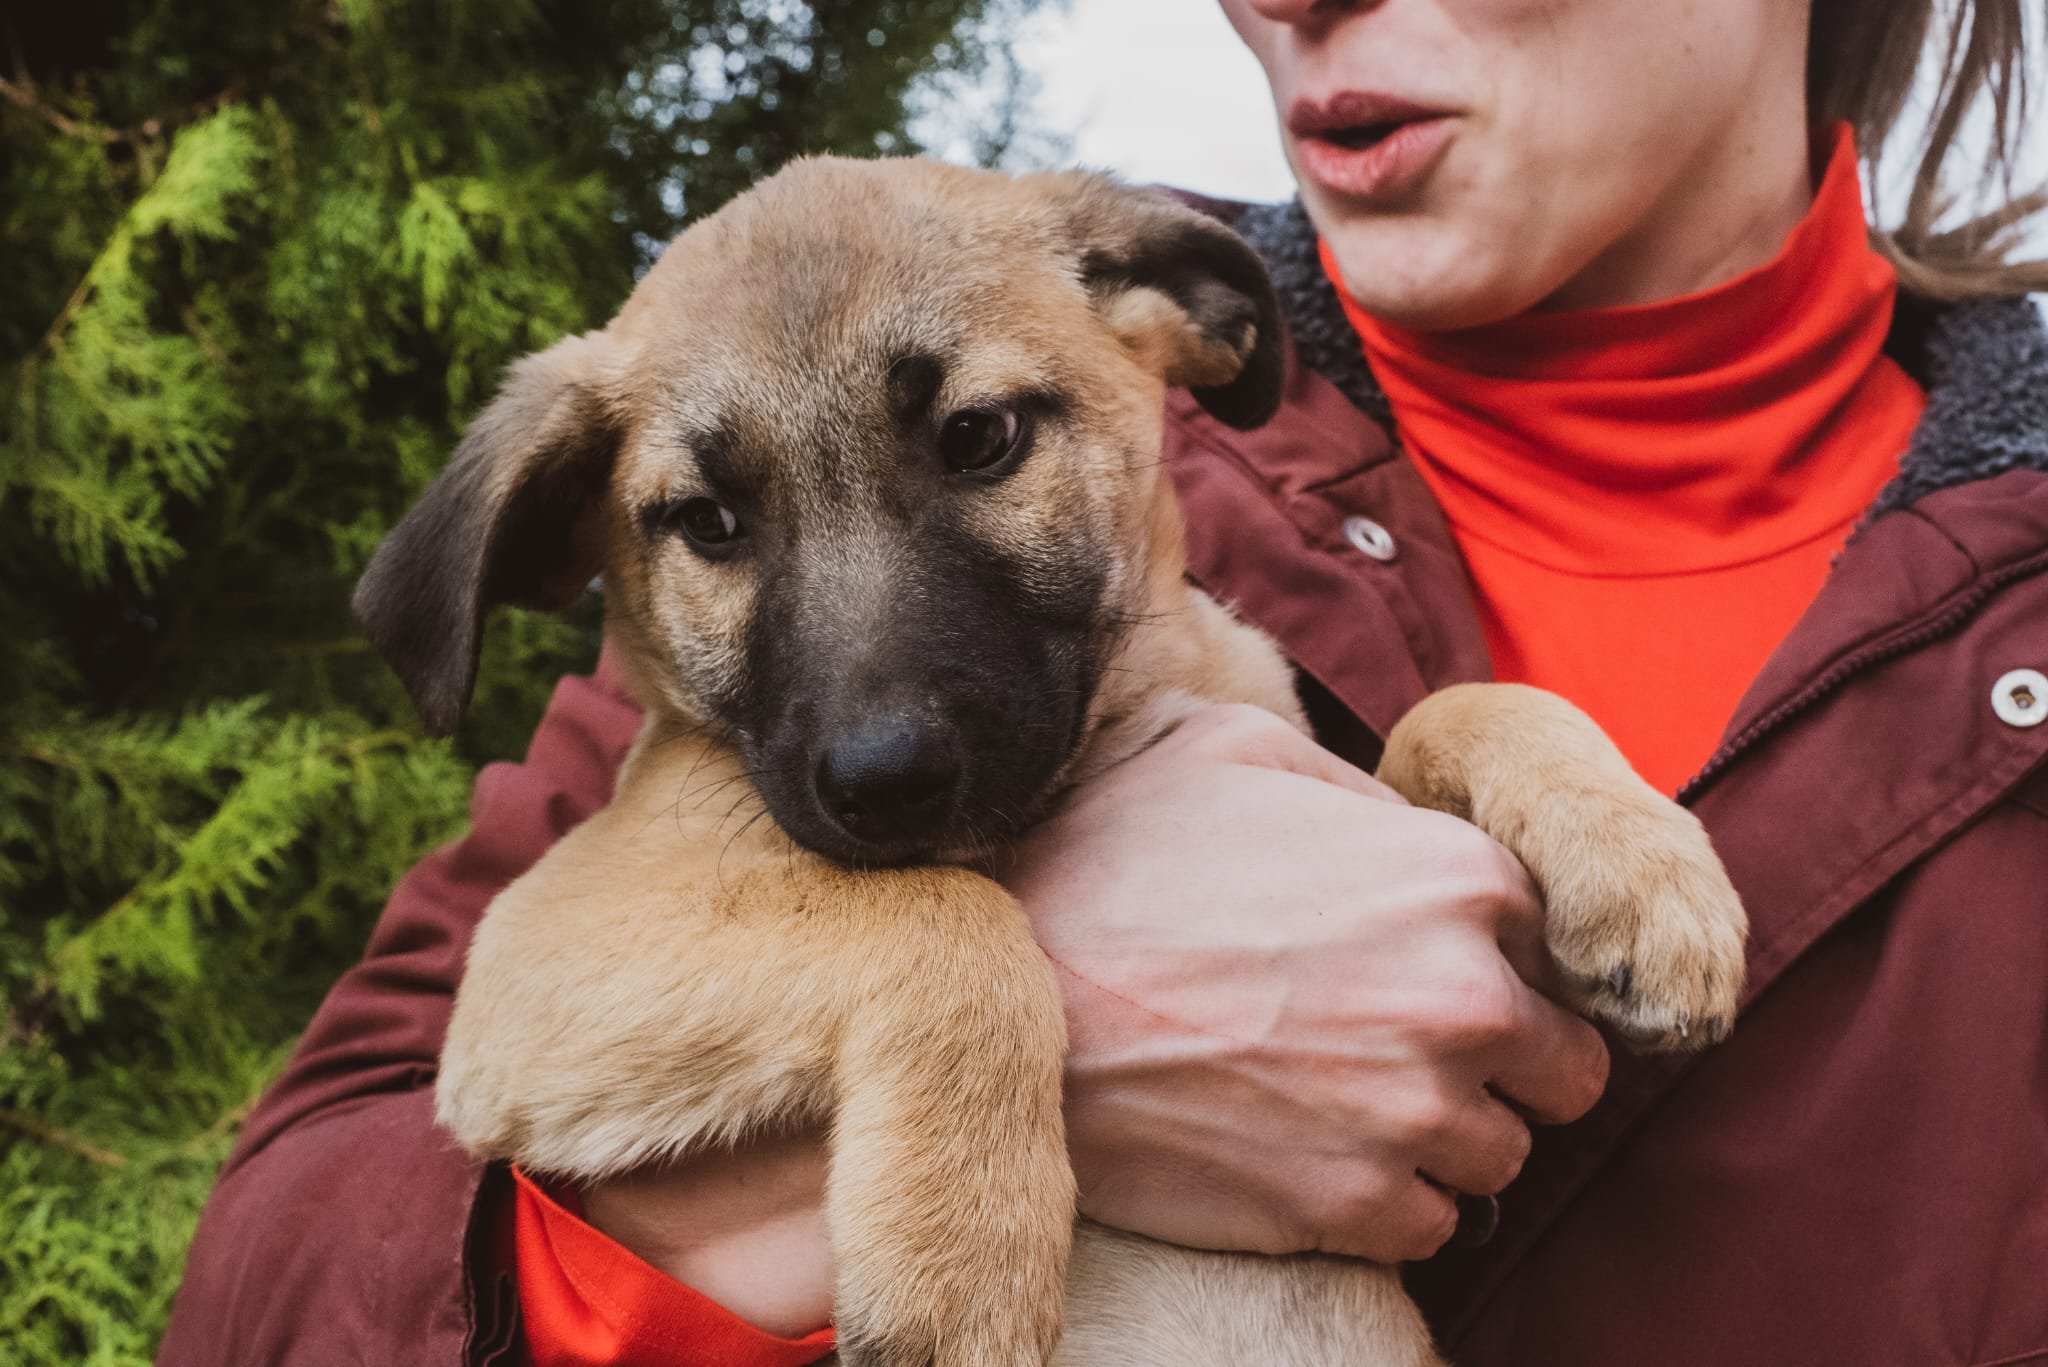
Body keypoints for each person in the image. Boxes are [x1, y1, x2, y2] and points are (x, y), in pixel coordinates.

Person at [159, 0, 2048, 1363]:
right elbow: (286, 1276)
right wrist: (1026, 1042)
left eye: (980, 441)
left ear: (1178, 339)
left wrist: (1503, 759)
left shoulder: (1090, 374)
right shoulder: (724, 598)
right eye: (719, 531)